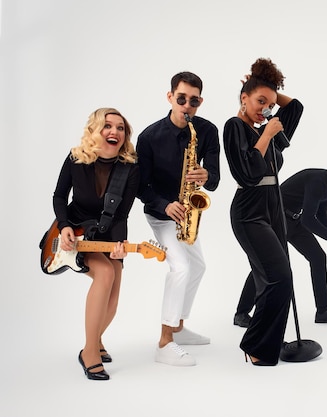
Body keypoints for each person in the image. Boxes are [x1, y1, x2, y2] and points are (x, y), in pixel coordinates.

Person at [136, 71, 220, 366]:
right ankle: (164, 342)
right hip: (161, 214)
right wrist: (165, 204)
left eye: (193, 101)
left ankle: (178, 327)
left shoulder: (207, 131)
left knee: (198, 265)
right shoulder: (149, 137)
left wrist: (207, 174)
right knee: (181, 267)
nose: (187, 106)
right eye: (181, 98)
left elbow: (216, 179)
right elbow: (140, 187)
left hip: (188, 213)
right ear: (170, 97)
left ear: (200, 101)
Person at [223, 57, 304, 366]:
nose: (265, 109)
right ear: (243, 99)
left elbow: (295, 107)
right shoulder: (235, 128)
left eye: (269, 104)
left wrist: (267, 88)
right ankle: (255, 344)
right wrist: (267, 133)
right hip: (249, 211)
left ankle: (270, 340)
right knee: (278, 277)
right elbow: (247, 174)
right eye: (258, 101)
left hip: (272, 207)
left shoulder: (268, 129)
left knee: (273, 278)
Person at [51, 108, 139, 380]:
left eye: (120, 128)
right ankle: (89, 351)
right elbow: (59, 196)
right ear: (96, 130)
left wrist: (120, 243)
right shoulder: (76, 158)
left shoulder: (131, 166)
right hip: (76, 232)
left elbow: (122, 213)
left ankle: (97, 339)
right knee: (105, 273)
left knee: (113, 296)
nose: (114, 132)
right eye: (108, 126)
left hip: (109, 233)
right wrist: (64, 226)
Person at [233, 159, 327, 328]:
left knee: (318, 257)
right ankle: (241, 313)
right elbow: (309, 220)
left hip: (293, 220)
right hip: (275, 217)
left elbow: (321, 214)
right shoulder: (318, 181)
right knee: (266, 265)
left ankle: (323, 311)